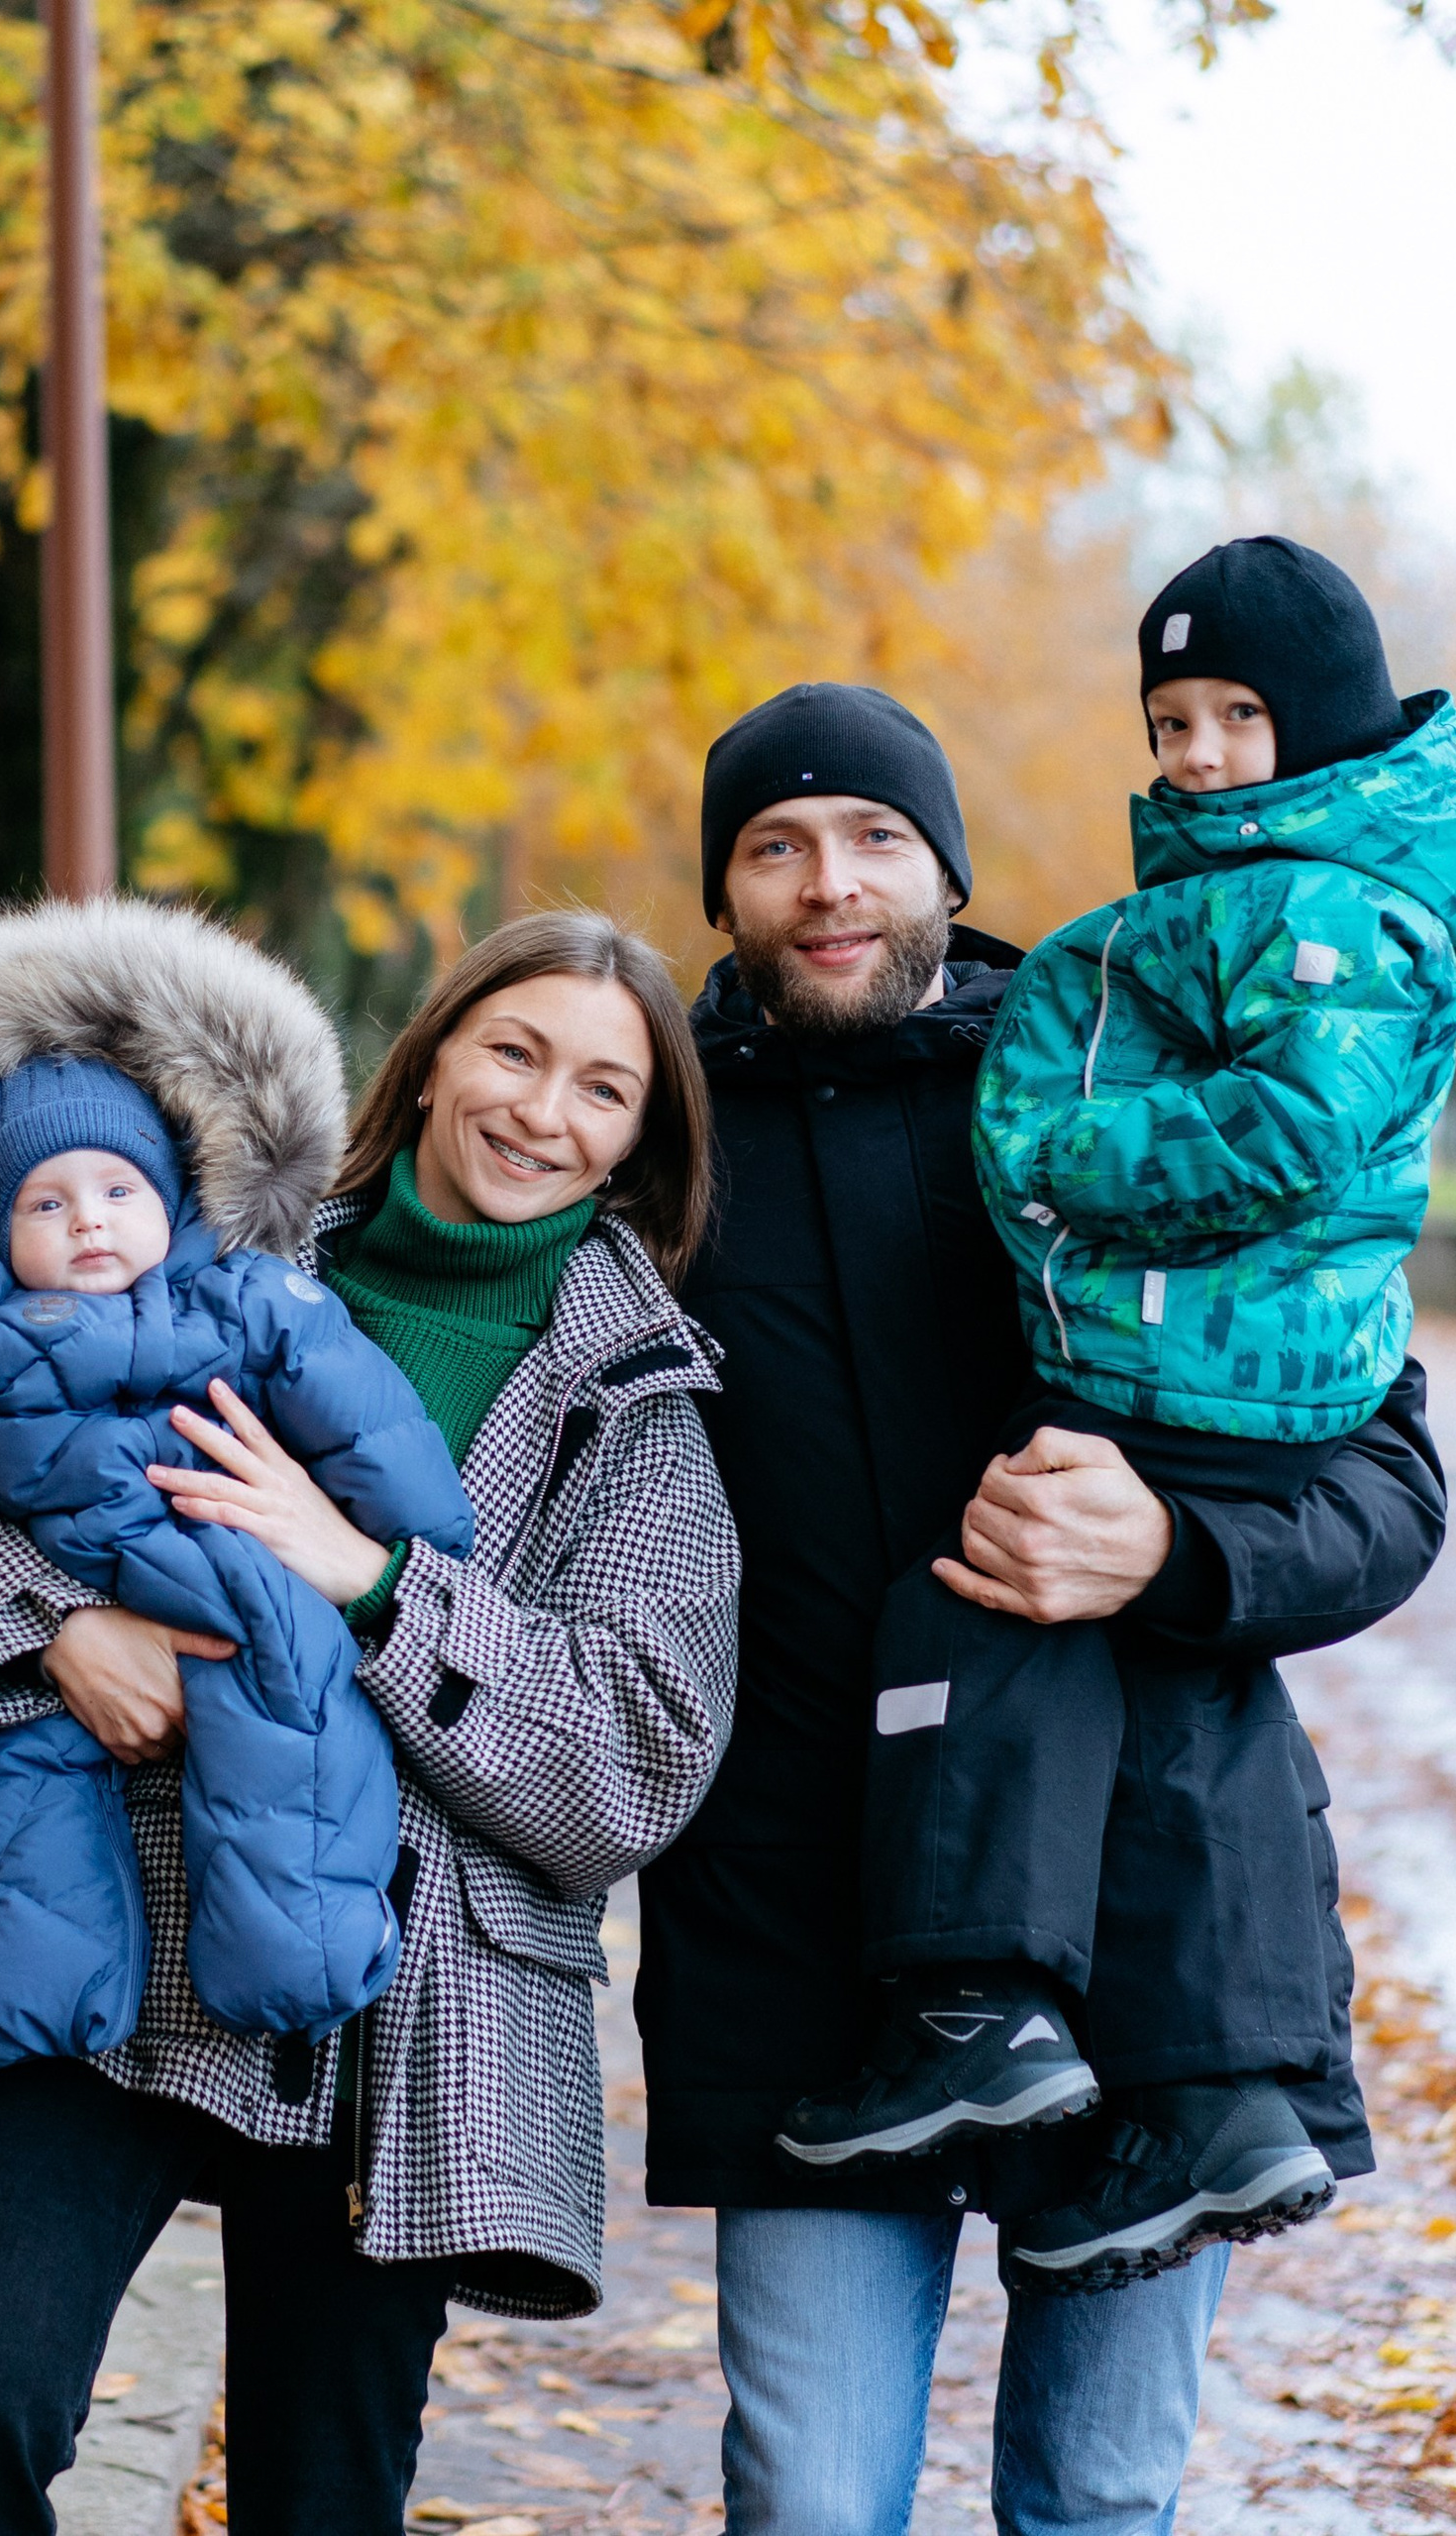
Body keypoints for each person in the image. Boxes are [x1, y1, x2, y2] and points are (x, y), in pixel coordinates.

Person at [650, 676, 1446, 2534]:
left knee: (1097, 2502)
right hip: (797, 1931)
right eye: (774, 849)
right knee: (808, 2504)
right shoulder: (656, 1154)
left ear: (946, 866)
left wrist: (1177, 1555)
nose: (827, 885)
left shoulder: (1131, 1079)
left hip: (1157, 1923)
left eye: (873, 839)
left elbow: (1388, 1491)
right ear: (726, 894)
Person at [0, 908, 739, 2536]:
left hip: (405, 2005)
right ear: (436, 1054)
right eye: (516, 1053)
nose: (546, 1112)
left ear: (641, 1141)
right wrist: (67, 1631)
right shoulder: (213, 1254)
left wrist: (377, 1585)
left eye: (604, 1090)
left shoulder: (644, 1402)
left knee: (321, 2502)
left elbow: (632, 1757)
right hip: (105, 1919)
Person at [780, 541, 1456, 2295]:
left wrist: (1066, 1172)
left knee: (987, 1607)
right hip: (1197, 1362)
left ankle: (979, 1998)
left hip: (1200, 1366)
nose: (1205, 752)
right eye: (1175, 720)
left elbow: (1294, 1131)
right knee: (1158, 1678)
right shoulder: (1264, 897)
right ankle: (1224, 2104)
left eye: (1244, 716)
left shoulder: (1322, 909)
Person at [0, 899, 475, 2076]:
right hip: (60, 1575)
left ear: (171, 1199)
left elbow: (353, 1401)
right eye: (45, 1203)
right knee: (13, 1789)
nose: (87, 1225)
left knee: (289, 1713)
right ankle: (24, 2012)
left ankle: (302, 1958)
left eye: (117, 1193)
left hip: (225, 1570)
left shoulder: (242, 1295)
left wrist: (414, 1531)